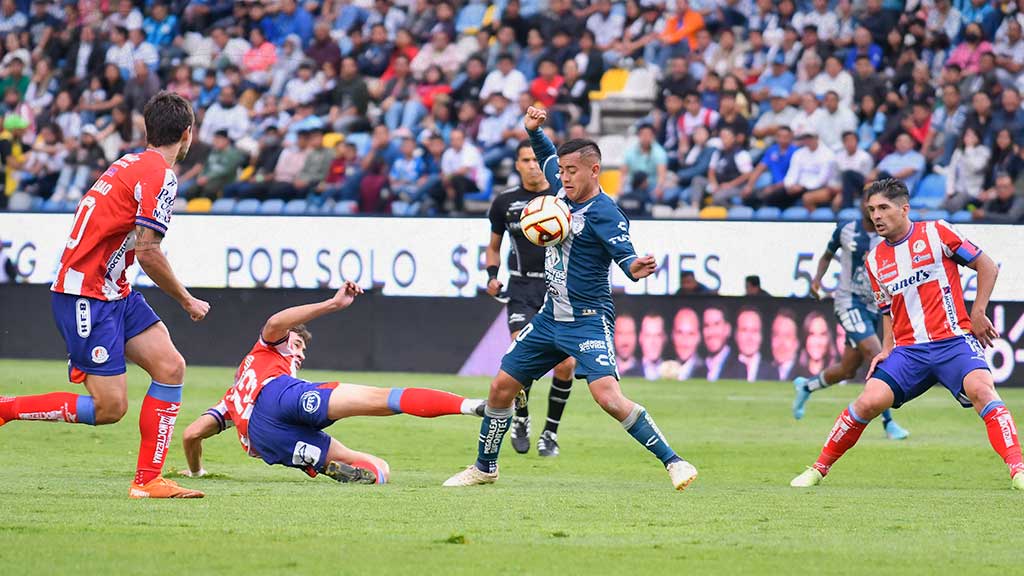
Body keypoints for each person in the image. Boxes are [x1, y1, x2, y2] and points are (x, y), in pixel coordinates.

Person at [443, 106, 697, 490]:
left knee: (608, 398)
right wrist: (533, 130)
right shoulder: (560, 188)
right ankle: (485, 467)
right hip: (548, 318)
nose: (562, 177)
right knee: (499, 388)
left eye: (571, 171)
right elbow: (545, 156)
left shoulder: (605, 213)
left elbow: (625, 255)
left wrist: (635, 268)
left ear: (595, 170)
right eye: (561, 171)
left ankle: (674, 461)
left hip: (588, 319)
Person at [0, 92, 209, 499]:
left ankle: (148, 481)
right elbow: (148, 251)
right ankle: (6, 408)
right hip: (87, 295)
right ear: (187, 134)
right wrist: (187, 299)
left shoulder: (128, 162)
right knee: (109, 409)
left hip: (114, 291)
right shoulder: (159, 175)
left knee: (170, 367)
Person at [791, 178, 1021, 489]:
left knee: (982, 391)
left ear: (904, 208)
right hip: (909, 351)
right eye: (872, 209)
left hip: (953, 342)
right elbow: (888, 310)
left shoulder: (937, 231)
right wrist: (887, 348)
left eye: (884, 208)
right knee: (868, 402)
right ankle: (818, 469)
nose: (877, 216)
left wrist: (978, 312)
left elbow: (987, 266)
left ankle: (1018, 470)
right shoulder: (875, 260)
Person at [180, 282, 484, 484]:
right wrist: (332, 305)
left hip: (265, 439)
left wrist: (196, 471)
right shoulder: (269, 349)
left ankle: (323, 465)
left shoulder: (233, 398)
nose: (299, 352)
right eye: (296, 343)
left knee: (379, 470)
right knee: (385, 398)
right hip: (278, 395)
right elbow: (274, 324)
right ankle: (473, 406)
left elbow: (192, 435)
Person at [485, 140, 576, 457]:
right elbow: (494, 246)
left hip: (558, 289)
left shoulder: (561, 197)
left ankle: (550, 433)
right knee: (522, 353)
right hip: (522, 288)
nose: (533, 165)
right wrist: (492, 275)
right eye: (525, 160)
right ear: (518, 164)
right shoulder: (504, 202)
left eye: (536, 160)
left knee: (566, 364)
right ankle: (521, 417)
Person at [792, 196, 910, 439]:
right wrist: (817, 279)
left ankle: (806, 386)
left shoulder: (890, 235)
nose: (875, 211)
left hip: (874, 306)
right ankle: (889, 423)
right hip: (848, 302)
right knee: (878, 355)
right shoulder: (846, 229)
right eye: (871, 205)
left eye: (881, 206)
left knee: (848, 369)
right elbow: (827, 254)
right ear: (863, 206)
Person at [638, 314, 667, 381]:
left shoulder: (676, 373)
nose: (653, 342)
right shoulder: (630, 373)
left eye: (657, 335)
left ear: (664, 338)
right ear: (640, 338)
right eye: (648, 335)